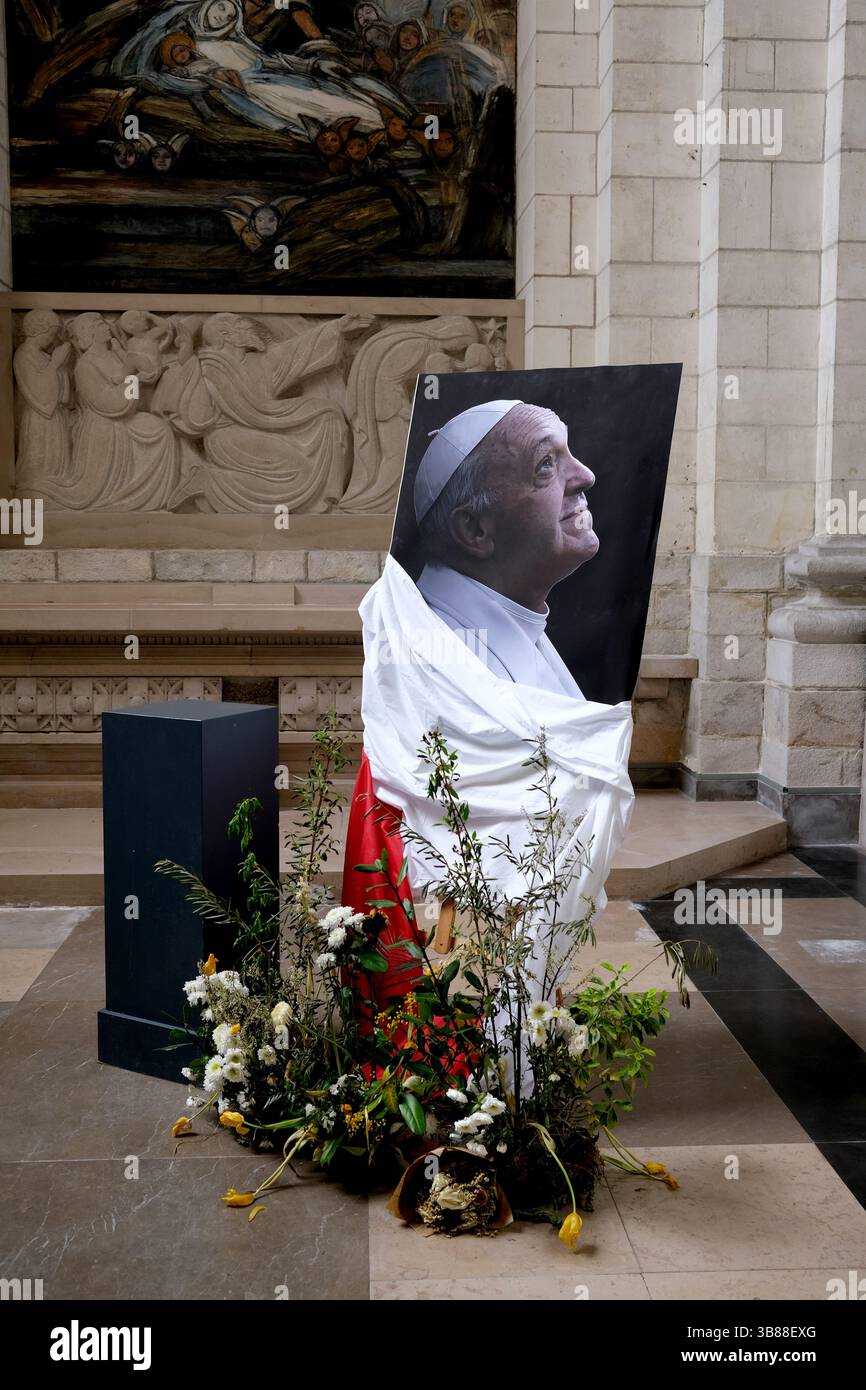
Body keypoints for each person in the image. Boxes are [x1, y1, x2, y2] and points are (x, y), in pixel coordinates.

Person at [414, 400, 597, 696]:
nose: (586, 476)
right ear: (475, 530)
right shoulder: (447, 667)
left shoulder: (518, 619)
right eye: (546, 463)